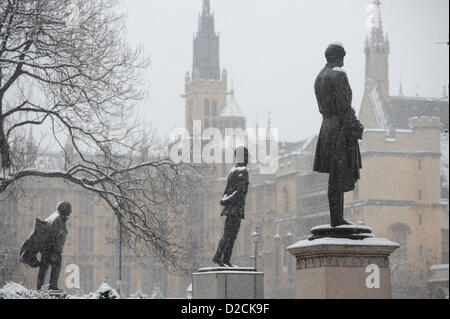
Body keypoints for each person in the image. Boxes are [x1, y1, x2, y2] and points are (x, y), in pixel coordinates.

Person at [313, 43, 364, 227]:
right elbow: (344, 106)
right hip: (340, 129)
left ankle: (336, 217)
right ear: (336, 56)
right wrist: (356, 125)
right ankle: (337, 219)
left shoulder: (319, 78)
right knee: (338, 174)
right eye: (342, 56)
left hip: (326, 128)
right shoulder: (338, 76)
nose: (343, 60)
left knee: (334, 176)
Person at [213, 147, 250, 267]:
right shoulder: (242, 171)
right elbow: (239, 191)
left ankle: (225, 259)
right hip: (235, 209)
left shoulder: (232, 170)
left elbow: (227, 190)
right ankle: (219, 257)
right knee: (230, 235)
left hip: (233, 209)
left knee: (230, 235)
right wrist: (227, 200)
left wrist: (224, 199)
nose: (247, 158)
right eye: (246, 155)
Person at [36, 201, 71, 291]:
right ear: (64, 210)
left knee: (44, 267)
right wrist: (55, 251)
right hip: (52, 249)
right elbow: (54, 235)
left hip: (47, 249)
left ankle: (40, 287)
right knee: (56, 265)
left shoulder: (55, 217)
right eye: (68, 211)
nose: (69, 214)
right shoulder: (58, 220)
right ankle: (52, 286)